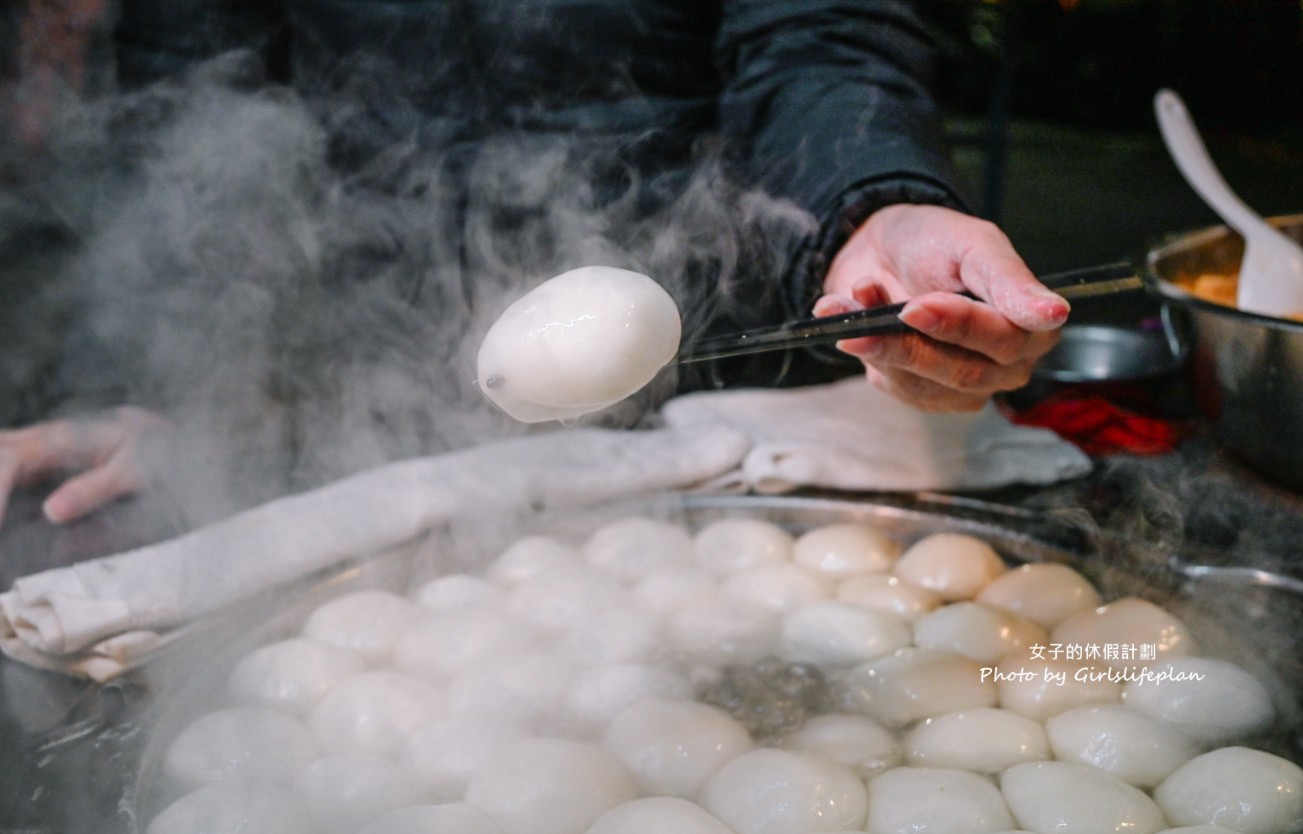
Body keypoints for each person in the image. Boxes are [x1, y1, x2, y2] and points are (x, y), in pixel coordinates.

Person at [0, 0, 1067, 529]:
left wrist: (864, 209)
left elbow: (817, 35)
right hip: (350, 403)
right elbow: (197, 85)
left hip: (734, 399)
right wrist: (197, 377)